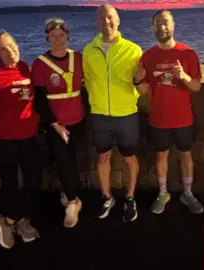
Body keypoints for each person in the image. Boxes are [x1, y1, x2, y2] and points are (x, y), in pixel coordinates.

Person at [0, 30, 42, 249]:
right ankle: (22, 222)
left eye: (12, 45)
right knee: (10, 184)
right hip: (3, 141)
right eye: (3, 49)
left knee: (33, 180)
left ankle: (8, 220)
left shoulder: (24, 67)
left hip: (28, 137)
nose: (10, 51)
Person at [135, 10, 204, 215]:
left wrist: (183, 75)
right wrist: (138, 80)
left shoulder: (188, 53)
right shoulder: (147, 57)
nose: (162, 27)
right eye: (157, 23)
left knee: (186, 154)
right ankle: (163, 193)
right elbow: (143, 91)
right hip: (158, 119)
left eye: (165, 23)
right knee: (161, 155)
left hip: (183, 118)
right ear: (152, 28)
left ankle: (188, 193)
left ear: (173, 26)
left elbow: (197, 87)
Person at [83, 4, 143, 222]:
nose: (106, 22)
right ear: (97, 22)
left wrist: (138, 83)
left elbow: (141, 85)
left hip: (126, 114)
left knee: (129, 159)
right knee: (103, 157)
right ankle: (107, 197)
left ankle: (130, 197)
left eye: (110, 17)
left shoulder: (134, 50)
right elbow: (88, 81)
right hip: (100, 115)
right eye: (101, 18)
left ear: (118, 20)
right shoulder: (89, 51)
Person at [31, 18, 85, 228]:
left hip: (78, 119)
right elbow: (39, 98)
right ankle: (72, 203)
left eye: (62, 35)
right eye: (53, 36)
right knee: (61, 159)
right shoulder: (40, 65)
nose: (58, 39)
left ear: (68, 37)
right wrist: (54, 123)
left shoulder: (78, 58)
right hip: (56, 124)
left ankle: (67, 190)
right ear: (47, 38)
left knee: (71, 159)